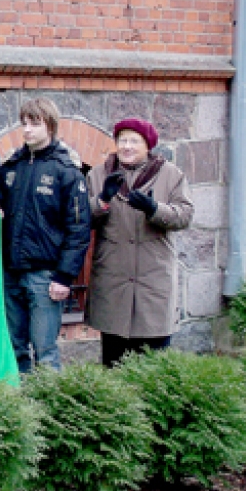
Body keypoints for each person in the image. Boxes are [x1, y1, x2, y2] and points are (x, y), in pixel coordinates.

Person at [86, 118, 193, 367]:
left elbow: (185, 216)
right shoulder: (98, 174)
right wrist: (102, 200)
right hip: (113, 281)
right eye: (122, 140)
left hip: (153, 282)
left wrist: (155, 209)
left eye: (134, 141)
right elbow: (79, 219)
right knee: (114, 363)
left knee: (153, 364)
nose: (127, 146)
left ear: (148, 145)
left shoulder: (170, 175)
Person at [0, 98, 91, 373]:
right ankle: (19, 399)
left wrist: (64, 276)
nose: (27, 130)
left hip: (45, 276)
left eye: (34, 124)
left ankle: (48, 400)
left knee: (45, 351)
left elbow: (78, 229)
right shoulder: (11, 167)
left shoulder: (66, 171)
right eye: (24, 124)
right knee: (14, 348)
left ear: (49, 125)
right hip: (11, 272)